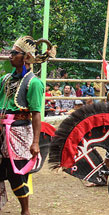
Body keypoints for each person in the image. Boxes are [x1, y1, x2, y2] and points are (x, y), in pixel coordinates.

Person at [0, 36, 55, 214]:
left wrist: (35, 142)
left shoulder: (34, 83)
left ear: (26, 57)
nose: (10, 56)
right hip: (1, 131)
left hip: (18, 132)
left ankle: (25, 210)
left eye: (14, 53)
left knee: (16, 173)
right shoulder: (5, 79)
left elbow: (36, 114)